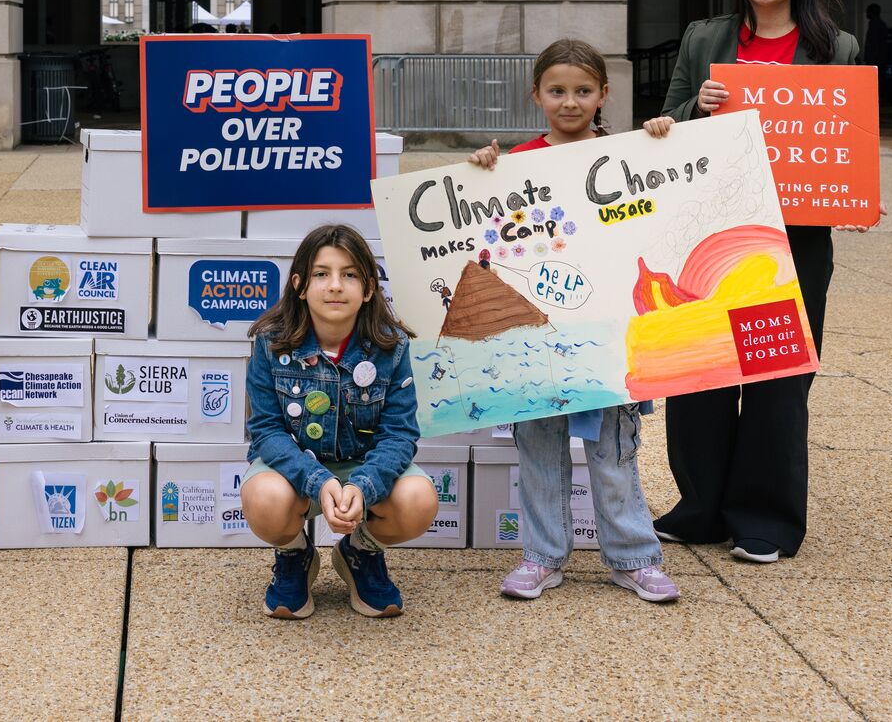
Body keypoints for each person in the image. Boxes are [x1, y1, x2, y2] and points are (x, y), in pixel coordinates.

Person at [651, 0, 861, 563]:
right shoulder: (703, 40)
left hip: (792, 239)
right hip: (709, 229)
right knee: (701, 374)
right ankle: (701, 509)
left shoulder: (837, 49)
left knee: (775, 376)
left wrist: (853, 192)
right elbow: (663, 127)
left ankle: (765, 519)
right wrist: (692, 112)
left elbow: (845, 144)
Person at [466, 39, 682, 604]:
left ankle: (634, 558)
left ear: (604, 94)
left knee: (614, 450)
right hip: (538, 339)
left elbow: (661, 212)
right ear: (536, 94)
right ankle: (542, 557)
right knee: (538, 450)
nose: (570, 102)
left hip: (608, 336)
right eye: (557, 91)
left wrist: (662, 140)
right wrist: (483, 170)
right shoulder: (514, 162)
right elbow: (484, 231)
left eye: (583, 91)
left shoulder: (630, 155)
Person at [241, 224, 438, 619]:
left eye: (349, 274)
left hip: (365, 470)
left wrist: (363, 487)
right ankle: (294, 554)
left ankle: (361, 552)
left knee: (419, 500)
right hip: (295, 471)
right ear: (299, 284)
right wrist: (319, 481)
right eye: (321, 274)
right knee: (265, 499)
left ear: (367, 289)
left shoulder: (393, 348)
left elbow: (399, 434)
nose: (335, 285)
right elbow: (266, 430)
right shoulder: (270, 343)